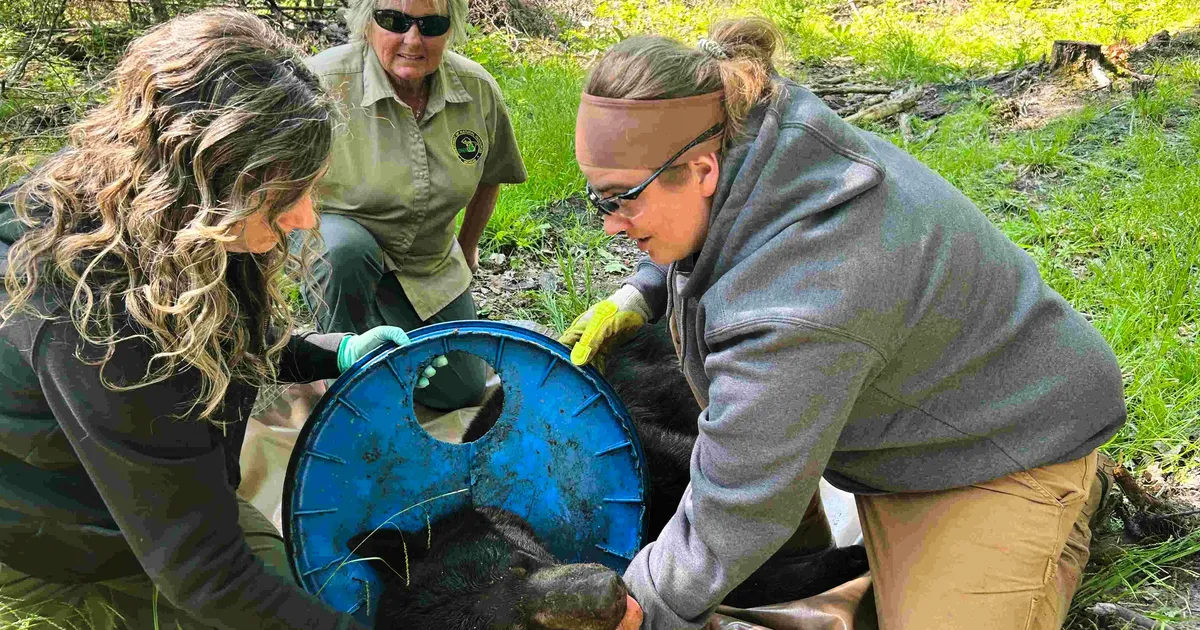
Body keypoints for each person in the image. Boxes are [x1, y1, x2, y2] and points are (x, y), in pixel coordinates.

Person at [561, 18, 1127, 630]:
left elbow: (738, 508)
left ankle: (1063, 508)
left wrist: (640, 610)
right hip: (920, 414)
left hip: (1009, 446)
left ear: (700, 171)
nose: (611, 224)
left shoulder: (800, 296)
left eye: (622, 199)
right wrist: (642, 293)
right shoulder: (752, 139)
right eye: (599, 199)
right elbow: (725, 242)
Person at [0, 10, 440, 629]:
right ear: (207, 184)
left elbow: (219, 337)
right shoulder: (96, 325)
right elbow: (206, 573)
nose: (307, 219)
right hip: (69, 547)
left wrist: (331, 351)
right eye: (287, 199)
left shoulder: (161, 213)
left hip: (159, 492)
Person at [302, 0, 528, 410]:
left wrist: (468, 245)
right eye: (394, 21)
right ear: (367, 23)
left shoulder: (477, 90)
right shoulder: (321, 82)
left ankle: (382, 337)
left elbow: (492, 173)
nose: (412, 39)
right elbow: (273, 180)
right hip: (340, 251)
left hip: (428, 262)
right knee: (342, 250)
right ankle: (342, 380)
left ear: (451, 28)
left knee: (462, 391)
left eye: (431, 24)